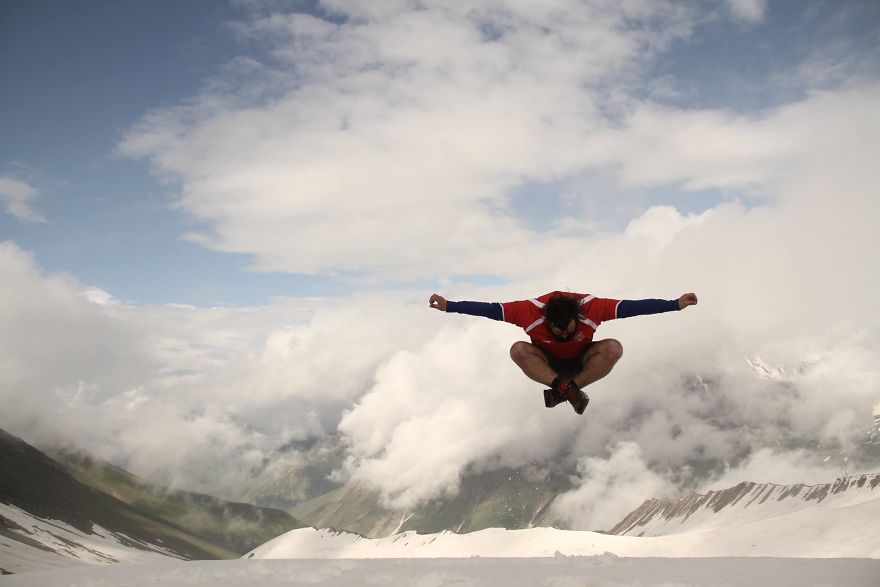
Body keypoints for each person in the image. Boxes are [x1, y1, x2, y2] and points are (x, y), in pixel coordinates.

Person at [429, 290, 698, 414]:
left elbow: (633, 307)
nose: (563, 334)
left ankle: (566, 390)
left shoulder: (592, 307)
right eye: (556, 330)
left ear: (576, 317)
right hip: (548, 365)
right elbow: (489, 309)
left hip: (583, 360)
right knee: (517, 350)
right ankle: (563, 389)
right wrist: (448, 306)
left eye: (567, 329)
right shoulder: (527, 312)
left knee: (614, 348)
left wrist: (675, 304)